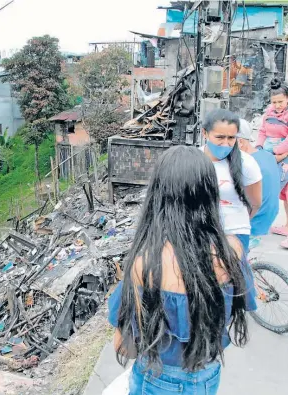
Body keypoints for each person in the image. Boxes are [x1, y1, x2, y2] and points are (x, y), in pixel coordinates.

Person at [108, 146, 257, 395]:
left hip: (157, 379)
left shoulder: (145, 263)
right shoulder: (232, 251)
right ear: (210, 193)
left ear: (158, 194)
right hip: (209, 375)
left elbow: (124, 346)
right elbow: (236, 309)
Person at [201, 109, 262, 254]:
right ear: (205, 133)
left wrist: (235, 221)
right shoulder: (194, 159)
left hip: (235, 233)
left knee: (235, 274)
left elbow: (255, 203)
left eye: (231, 138)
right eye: (220, 137)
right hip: (200, 232)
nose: (226, 143)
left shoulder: (246, 163)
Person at [255, 78, 288, 248]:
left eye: (280, 101)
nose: (277, 105)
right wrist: (259, 147)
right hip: (269, 153)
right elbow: (262, 132)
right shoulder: (268, 113)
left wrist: (277, 152)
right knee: (271, 190)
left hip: (283, 156)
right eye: (274, 102)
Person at [237, 119, 280, 249]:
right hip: (268, 216)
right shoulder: (267, 156)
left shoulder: (245, 163)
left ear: (240, 142)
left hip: (254, 224)